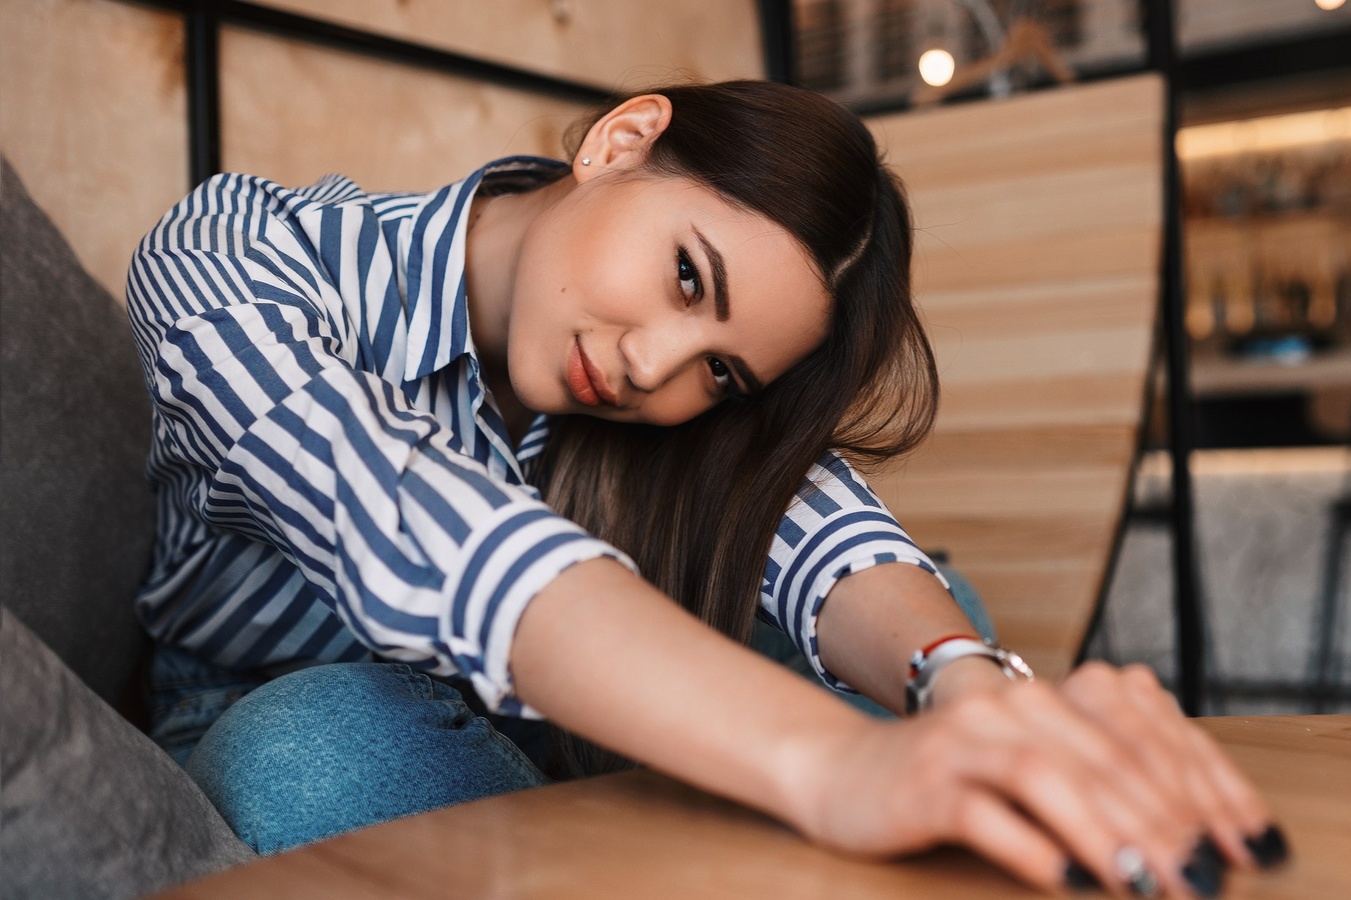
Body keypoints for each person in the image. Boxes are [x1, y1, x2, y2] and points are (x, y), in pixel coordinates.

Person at [125, 80, 1284, 896]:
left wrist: (966, 689)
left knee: (943, 626)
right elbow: (408, 524)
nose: (647, 368)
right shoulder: (236, 259)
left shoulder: (647, 396)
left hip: (589, 715)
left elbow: (818, 525)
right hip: (313, 706)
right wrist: (838, 767)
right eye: (686, 275)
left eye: (717, 370)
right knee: (316, 748)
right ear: (624, 140)